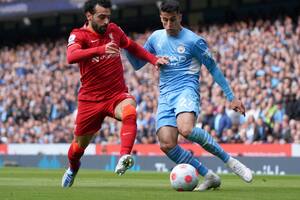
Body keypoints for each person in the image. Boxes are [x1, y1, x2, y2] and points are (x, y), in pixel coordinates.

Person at [126, 0, 253, 191]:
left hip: (186, 90)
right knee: (167, 144)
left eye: (172, 20)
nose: (169, 25)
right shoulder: (155, 38)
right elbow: (137, 64)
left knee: (186, 129)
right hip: (166, 96)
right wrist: (125, 45)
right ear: (160, 18)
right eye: (165, 20)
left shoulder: (193, 41)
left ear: (180, 17)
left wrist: (231, 96)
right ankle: (209, 176)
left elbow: (213, 68)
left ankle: (230, 161)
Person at [61, 0, 168, 188]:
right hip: (90, 100)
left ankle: (124, 155)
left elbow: (131, 46)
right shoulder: (78, 35)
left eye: (108, 17)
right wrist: (100, 49)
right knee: (78, 147)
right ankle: (72, 169)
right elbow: (71, 56)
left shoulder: (114, 30)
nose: (105, 21)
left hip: (116, 95)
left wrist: (153, 59)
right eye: (101, 17)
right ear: (89, 16)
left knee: (130, 110)